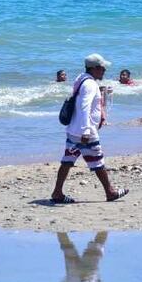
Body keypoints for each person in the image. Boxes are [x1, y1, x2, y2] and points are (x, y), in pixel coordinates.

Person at [50, 54, 129, 205]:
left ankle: (57, 192)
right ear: (94, 68)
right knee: (97, 161)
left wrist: (101, 112)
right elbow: (84, 107)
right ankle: (110, 192)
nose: (104, 70)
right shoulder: (90, 84)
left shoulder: (82, 79)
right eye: (102, 68)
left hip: (74, 130)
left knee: (68, 160)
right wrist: (86, 130)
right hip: (85, 132)